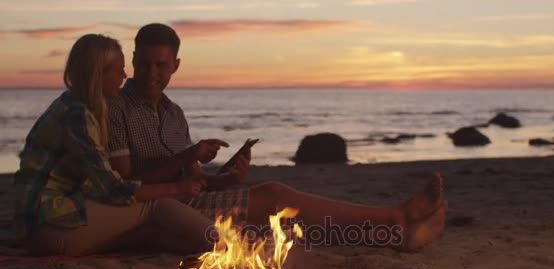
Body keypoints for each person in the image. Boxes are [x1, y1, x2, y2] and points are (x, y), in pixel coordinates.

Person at [107, 23, 448, 253]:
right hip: (153, 211)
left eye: (161, 65)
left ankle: (394, 230)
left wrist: (228, 178)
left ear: (176, 66)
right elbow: (124, 183)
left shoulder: (173, 113)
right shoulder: (116, 109)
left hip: (186, 202)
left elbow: (197, 183)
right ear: (133, 60)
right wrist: (187, 156)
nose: (153, 73)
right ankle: (396, 223)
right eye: (146, 64)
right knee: (276, 198)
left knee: (280, 218)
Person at [11, 34, 219, 256]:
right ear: (98, 74)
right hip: (46, 225)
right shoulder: (77, 115)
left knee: (152, 224)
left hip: (47, 222)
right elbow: (113, 189)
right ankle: (221, 244)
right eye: (118, 70)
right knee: (155, 204)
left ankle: (211, 244)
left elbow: (95, 184)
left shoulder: (78, 107)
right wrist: (177, 188)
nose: (124, 75)